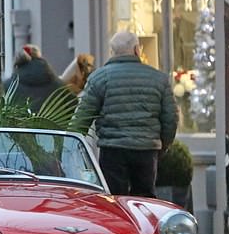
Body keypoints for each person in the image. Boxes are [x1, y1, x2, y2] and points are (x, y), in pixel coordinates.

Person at [74, 31, 177, 198]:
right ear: (137, 50)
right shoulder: (159, 79)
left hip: (112, 151)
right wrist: (161, 146)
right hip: (146, 150)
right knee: (144, 201)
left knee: (114, 202)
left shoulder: (99, 78)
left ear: (112, 52)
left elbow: (82, 119)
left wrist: (72, 149)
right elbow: (170, 118)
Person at [2, 44, 68, 113]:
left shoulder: (7, 86)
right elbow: (72, 106)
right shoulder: (59, 85)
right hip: (53, 123)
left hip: (18, 124)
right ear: (39, 57)